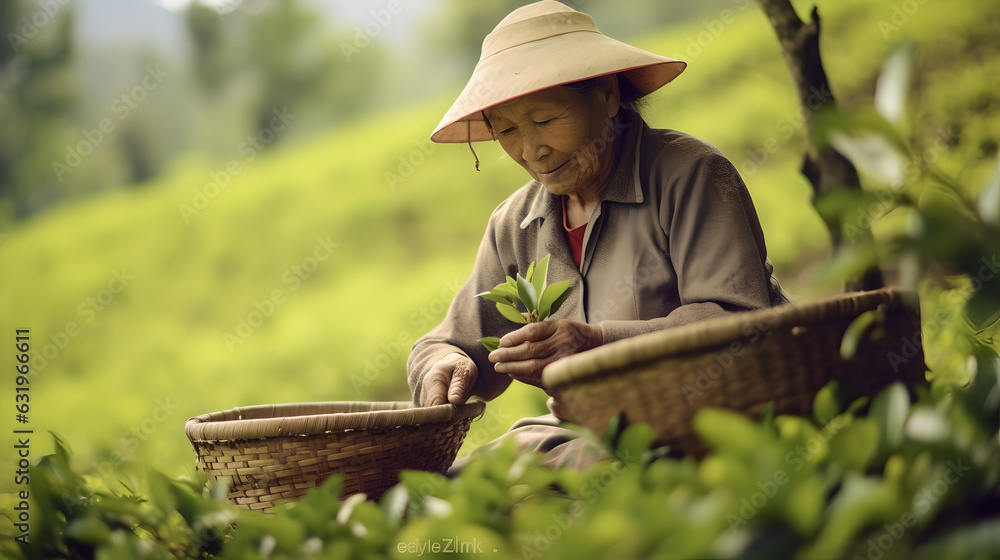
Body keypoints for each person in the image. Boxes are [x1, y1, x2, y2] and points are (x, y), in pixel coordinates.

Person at [407, 1, 790, 468]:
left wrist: (597, 342)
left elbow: (741, 324)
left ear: (607, 94)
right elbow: (450, 342)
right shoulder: (515, 224)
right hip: (583, 430)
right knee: (433, 497)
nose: (532, 151)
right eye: (506, 130)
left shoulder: (691, 174)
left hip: (709, 420)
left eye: (545, 120)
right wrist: (445, 364)